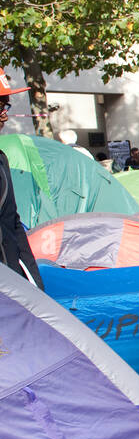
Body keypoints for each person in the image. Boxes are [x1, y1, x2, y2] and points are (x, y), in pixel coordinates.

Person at [0, 80, 44, 289]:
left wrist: (34, 283)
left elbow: (12, 222)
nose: (4, 115)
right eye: (0, 105)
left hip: (10, 285)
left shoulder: (1, 159)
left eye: (5, 105)